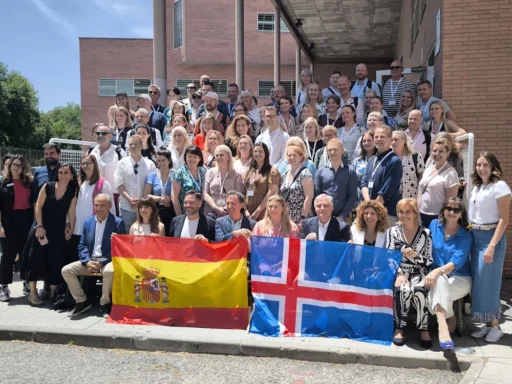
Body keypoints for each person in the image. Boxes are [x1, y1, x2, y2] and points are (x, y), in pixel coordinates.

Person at [469, 152, 511, 343]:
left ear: (493, 166)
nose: (481, 168)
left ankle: (495, 326)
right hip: (476, 236)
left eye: (485, 164)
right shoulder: (478, 186)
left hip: (491, 237)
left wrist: (492, 246)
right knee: (479, 283)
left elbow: (504, 219)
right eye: (478, 165)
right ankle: (487, 324)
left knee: (489, 283)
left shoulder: (500, 187)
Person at [62, 194, 126, 318]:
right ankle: (81, 301)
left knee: (110, 271)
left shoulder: (117, 223)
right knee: (66, 270)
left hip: (107, 260)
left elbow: (117, 248)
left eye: (102, 205)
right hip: (90, 261)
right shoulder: (88, 222)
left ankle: (105, 303)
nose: (98, 208)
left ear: (109, 206)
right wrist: (86, 261)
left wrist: (101, 262)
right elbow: (82, 245)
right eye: (96, 205)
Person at [26, 164, 78, 306]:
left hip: (58, 230)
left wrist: (70, 228)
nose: (62, 175)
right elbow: (38, 207)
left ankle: (53, 292)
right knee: (35, 258)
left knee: (55, 259)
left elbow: (72, 212)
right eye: (60, 172)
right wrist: (40, 226)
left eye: (66, 172)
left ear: (72, 175)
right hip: (41, 228)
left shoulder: (73, 191)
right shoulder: (48, 186)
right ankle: (32, 293)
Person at [385, 198, 433, 348]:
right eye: (401, 212)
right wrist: (399, 274)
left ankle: (423, 328)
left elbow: (429, 260)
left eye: (408, 212)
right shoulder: (392, 232)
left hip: (419, 271)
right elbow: (388, 257)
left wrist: (415, 255)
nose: (404, 215)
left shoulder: (426, 233)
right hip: (399, 272)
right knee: (402, 289)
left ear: (415, 213)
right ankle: (399, 328)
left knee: (419, 289)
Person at [426, 198, 472, 350]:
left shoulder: (466, 235)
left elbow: (456, 263)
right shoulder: (434, 225)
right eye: (449, 208)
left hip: (460, 278)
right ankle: (446, 320)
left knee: (438, 281)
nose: (452, 212)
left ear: (461, 214)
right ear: (444, 210)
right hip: (437, 277)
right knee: (439, 282)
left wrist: (437, 271)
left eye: (456, 210)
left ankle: (443, 324)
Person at [0, 156, 34, 301]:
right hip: (8, 221)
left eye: (19, 165)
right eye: (14, 165)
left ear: (23, 167)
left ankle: (27, 284)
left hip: (25, 220)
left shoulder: (28, 183)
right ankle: (3, 287)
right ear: (9, 166)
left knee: (25, 253)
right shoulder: (3, 183)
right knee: (7, 255)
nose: (16, 167)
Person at [73, 154, 115, 262]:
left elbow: (111, 207)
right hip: (78, 225)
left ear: (94, 165)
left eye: (88, 163)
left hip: (94, 226)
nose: (85, 165)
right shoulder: (79, 183)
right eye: (83, 163)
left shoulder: (103, 184)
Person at [361, 125, 403, 226]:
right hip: (370, 213)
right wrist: (368, 203)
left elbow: (386, 190)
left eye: (382, 137)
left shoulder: (394, 161)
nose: (378, 139)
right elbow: (364, 182)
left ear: (390, 139)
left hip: (386, 213)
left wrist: (373, 208)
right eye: (376, 137)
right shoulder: (372, 160)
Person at [114, 135, 157, 231]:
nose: (133, 146)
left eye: (135, 144)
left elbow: (152, 186)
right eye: (130, 144)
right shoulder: (122, 163)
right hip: (126, 208)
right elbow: (119, 184)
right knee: (128, 237)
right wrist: (129, 199)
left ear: (142, 145)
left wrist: (143, 202)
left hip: (145, 209)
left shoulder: (150, 164)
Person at [417, 137, 459, 228]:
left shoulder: (451, 173)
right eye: (435, 151)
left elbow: (450, 202)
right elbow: (420, 192)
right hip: (421, 214)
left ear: (447, 153)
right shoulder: (428, 169)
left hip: (437, 217)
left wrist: (443, 220)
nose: (437, 154)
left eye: (441, 151)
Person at [314, 139, 358, 221]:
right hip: (324, 217)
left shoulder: (350, 171)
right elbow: (317, 194)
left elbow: (352, 195)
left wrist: (343, 215)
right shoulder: (321, 171)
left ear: (342, 150)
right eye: (330, 150)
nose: (332, 152)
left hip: (344, 218)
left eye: (335, 149)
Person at [203, 145, 244, 218]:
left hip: (229, 212)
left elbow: (238, 195)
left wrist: (225, 208)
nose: (218, 157)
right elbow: (205, 193)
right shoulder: (209, 172)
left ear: (228, 156)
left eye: (221, 155)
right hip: (210, 212)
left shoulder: (236, 175)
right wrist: (216, 208)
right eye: (217, 155)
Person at [243, 143, 281, 221]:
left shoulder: (272, 171)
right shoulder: (249, 171)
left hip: (263, 212)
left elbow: (271, 193)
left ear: (266, 153)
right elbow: (244, 191)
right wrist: (245, 209)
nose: (257, 154)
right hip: (248, 213)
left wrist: (258, 211)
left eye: (260, 151)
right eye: (255, 151)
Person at [280, 145, 314, 226]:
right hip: (286, 218)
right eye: (289, 155)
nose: (291, 157)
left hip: (300, 218)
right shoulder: (285, 174)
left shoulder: (305, 173)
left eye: (294, 155)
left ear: (301, 157)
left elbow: (309, 198)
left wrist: (303, 219)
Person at [144, 148, 176, 235]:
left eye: (163, 160)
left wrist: (170, 199)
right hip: (156, 211)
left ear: (169, 160)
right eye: (158, 160)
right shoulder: (152, 175)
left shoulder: (175, 174)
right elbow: (146, 196)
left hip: (172, 210)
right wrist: (160, 199)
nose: (161, 163)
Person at [171, 145, 206, 216]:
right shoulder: (179, 173)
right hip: (186, 212)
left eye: (195, 157)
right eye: (189, 156)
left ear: (199, 159)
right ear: (185, 158)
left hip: (202, 213)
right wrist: (180, 217)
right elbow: (174, 198)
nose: (192, 159)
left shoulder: (204, 172)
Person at [391, 131, 424, 199]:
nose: (393, 142)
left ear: (404, 140)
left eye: (396, 139)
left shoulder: (415, 157)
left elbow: (421, 177)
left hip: (411, 198)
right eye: (392, 140)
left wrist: (420, 196)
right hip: (393, 199)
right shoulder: (388, 158)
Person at [353, 131, 377, 206]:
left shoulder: (380, 160)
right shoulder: (357, 161)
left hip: (374, 196)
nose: (366, 143)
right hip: (358, 197)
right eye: (364, 141)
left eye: (369, 140)